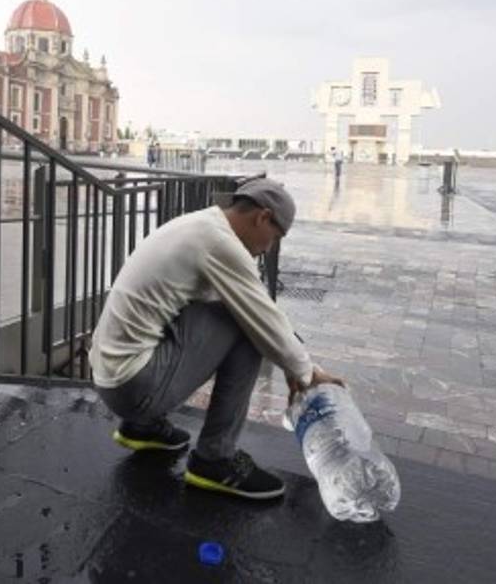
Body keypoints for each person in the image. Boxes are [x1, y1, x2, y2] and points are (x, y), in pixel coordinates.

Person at [90, 177, 344, 500]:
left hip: (110, 375)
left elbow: (246, 307)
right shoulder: (220, 244)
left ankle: (144, 426)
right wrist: (307, 372)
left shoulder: (200, 224)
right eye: (275, 237)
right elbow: (261, 317)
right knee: (247, 329)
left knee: (228, 311)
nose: (269, 248)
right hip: (132, 387)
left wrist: (296, 363)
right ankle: (215, 458)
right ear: (262, 217)